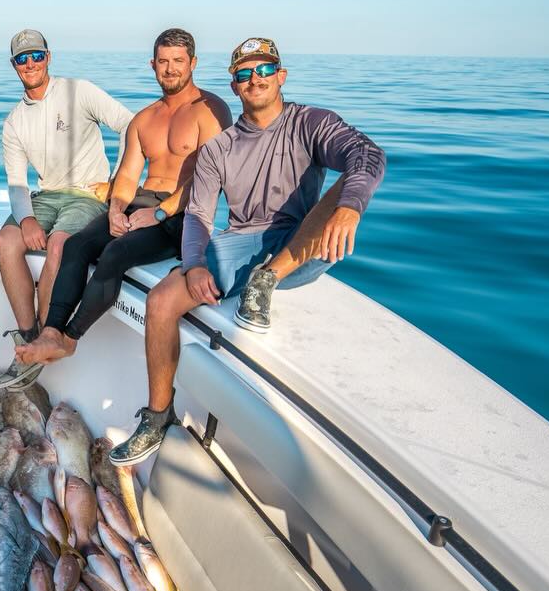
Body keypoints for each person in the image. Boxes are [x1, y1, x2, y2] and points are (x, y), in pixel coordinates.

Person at [109, 36, 386, 465]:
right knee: (163, 299)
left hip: (302, 239)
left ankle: (268, 278)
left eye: (263, 70)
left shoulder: (310, 122)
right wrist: (196, 264)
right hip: (242, 238)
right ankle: (157, 416)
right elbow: (199, 215)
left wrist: (351, 207)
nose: (254, 79)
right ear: (234, 86)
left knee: (339, 188)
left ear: (281, 76)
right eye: (243, 74)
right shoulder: (219, 147)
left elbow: (366, 153)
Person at [15, 27, 231, 376]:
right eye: (163, 61)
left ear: (193, 63)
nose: (170, 69)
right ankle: (51, 330)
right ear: (152, 64)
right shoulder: (145, 118)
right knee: (76, 245)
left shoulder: (211, 110)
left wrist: (159, 213)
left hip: (182, 213)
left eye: (178, 61)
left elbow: (209, 178)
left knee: (116, 253)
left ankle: (69, 339)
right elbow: (129, 176)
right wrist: (116, 209)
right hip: (140, 204)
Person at [0, 28, 133, 390]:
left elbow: (131, 125)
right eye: (22, 59)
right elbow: (17, 182)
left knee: (59, 244)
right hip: (46, 195)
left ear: (48, 57)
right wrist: (24, 219)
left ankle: (44, 345)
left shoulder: (78, 91)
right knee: (6, 241)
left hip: (87, 195)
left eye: (36, 55)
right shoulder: (13, 121)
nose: (30, 64)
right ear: (14, 66)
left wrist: (117, 182)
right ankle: (28, 336)